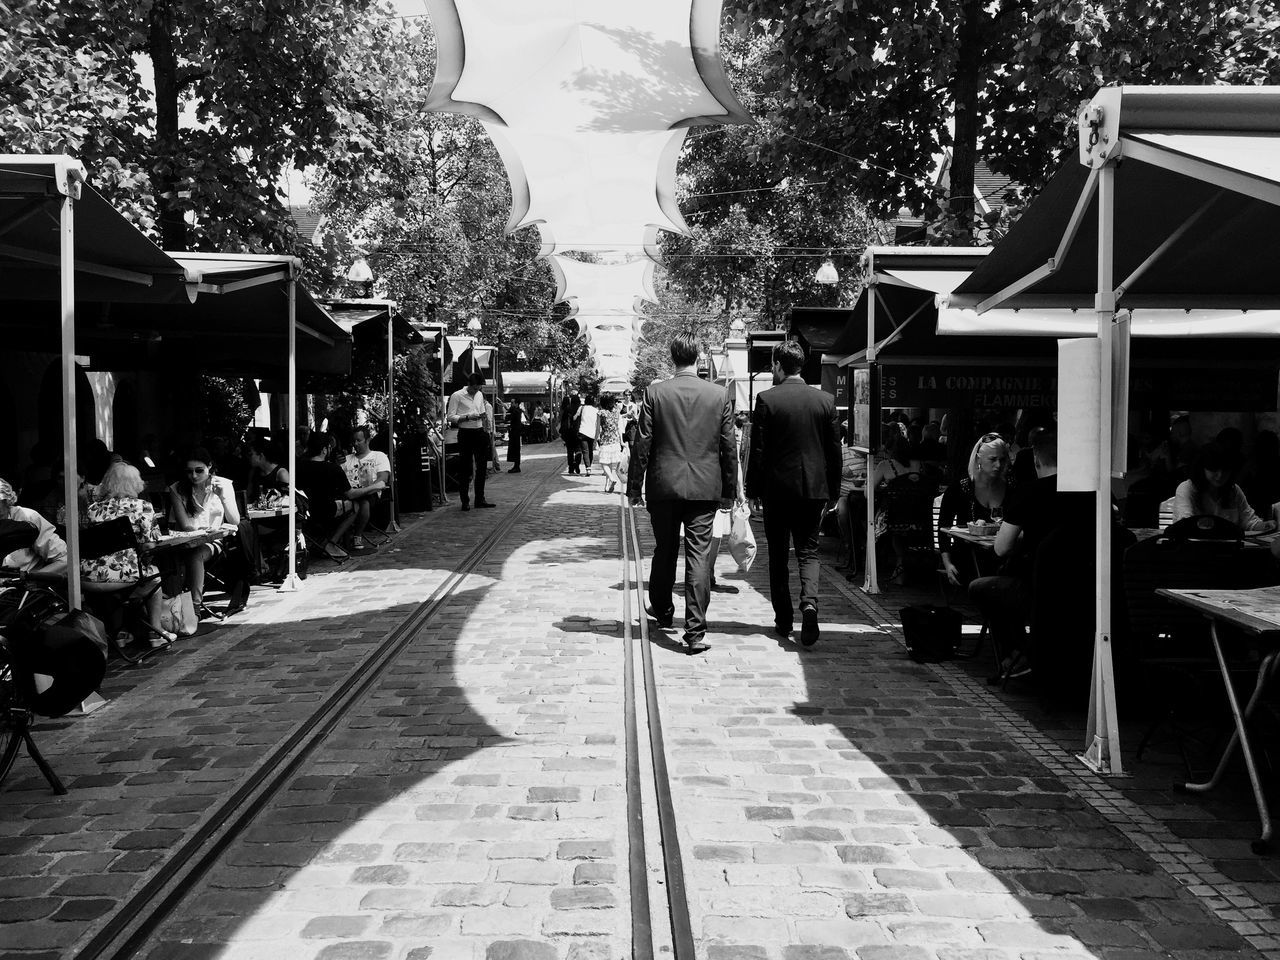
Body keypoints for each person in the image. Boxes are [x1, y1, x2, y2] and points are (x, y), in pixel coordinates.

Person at [627, 332, 736, 655]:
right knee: (699, 555)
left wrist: (634, 487)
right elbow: (728, 448)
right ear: (699, 358)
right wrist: (729, 491)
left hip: (664, 485)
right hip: (704, 487)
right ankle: (695, 631)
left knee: (664, 549)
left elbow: (642, 442)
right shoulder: (718, 396)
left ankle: (662, 609)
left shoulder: (655, 393)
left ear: (672, 358)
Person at [970, 429, 1091, 680]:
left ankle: (1018, 652)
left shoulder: (1029, 493)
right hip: (1086, 586)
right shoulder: (1090, 493)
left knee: (981, 588)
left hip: (1039, 584)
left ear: (1036, 459)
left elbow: (1001, 548)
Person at [746, 340, 841, 647]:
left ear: (777, 365)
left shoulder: (767, 399)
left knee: (777, 556)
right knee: (808, 552)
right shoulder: (825, 401)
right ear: (803, 365)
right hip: (814, 489)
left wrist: (752, 490)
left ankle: (783, 618)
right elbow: (834, 451)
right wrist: (834, 490)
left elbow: (758, 452)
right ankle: (810, 603)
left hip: (777, 490)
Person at [83, 462, 175, 646]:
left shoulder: (92, 510)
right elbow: (149, 545)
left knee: (124, 584)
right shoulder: (142, 506)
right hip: (124, 576)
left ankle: (121, 633)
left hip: (89, 577)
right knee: (153, 577)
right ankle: (155, 632)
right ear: (135, 483)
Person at [168, 447, 242, 619]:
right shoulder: (177, 489)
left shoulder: (223, 484)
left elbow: (235, 521)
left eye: (199, 470)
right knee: (168, 557)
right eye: (189, 471)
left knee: (195, 554)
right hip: (183, 541)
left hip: (212, 542)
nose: (194, 476)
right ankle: (173, 607)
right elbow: (185, 526)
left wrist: (223, 496)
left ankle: (194, 609)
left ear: (209, 466)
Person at [938, 432, 1016, 588]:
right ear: (979, 459)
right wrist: (947, 564)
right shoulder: (961, 488)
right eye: (993, 459)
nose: (998, 465)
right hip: (967, 558)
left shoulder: (1011, 487)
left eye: (1002, 459)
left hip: (1003, 558)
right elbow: (943, 526)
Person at [1172, 441, 1276, 533]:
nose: (1220, 475)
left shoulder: (1233, 490)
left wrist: (1265, 525)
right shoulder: (1187, 488)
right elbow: (1185, 525)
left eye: (1225, 470)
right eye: (1214, 469)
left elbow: (1249, 521)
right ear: (1202, 468)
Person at [296, 433, 359, 560]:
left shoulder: (299, 466)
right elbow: (350, 493)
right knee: (355, 506)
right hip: (325, 510)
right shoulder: (333, 468)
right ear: (324, 449)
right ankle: (332, 543)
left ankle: (322, 541)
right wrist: (373, 487)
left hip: (304, 511)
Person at [446, 373, 495, 511]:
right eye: (474, 388)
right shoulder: (457, 396)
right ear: (469, 385)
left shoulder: (479, 394)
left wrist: (485, 423)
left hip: (479, 431)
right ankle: (465, 500)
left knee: (482, 467)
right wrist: (467, 417)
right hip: (466, 433)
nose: (476, 391)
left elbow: (482, 410)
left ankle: (480, 498)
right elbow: (450, 417)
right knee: (465, 467)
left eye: (478, 388)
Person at [0, 477, 67, 575]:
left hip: (24, 586)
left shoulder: (27, 517)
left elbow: (65, 560)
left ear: (7, 502)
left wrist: (31, 580)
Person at [342, 424, 394, 543]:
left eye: (359, 441)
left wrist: (367, 489)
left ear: (367, 440)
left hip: (371, 493)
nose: (356, 444)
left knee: (363, 503)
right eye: (354, 441)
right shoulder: (347, 459)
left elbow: (383, 478)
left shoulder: (378, 456)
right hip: (350, 492)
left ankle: (357, 536)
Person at [833, 424, 868, 573]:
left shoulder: (873, 454)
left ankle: (868, 549)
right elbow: (835, 472)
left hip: (869, 496)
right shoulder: (843, 451)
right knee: (842, 512)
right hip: (847, 494)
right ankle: (851, 548)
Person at [247, 437, 291, 503]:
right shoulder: (254, 472)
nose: (248, 457)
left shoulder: (281, 473)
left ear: (261, 456)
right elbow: (248, 496)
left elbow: (290, 499)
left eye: (251, 454)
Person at [595, 395, 623, 493]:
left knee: (603, 462)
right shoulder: (617, 412)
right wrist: (621, 440)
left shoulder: (601, 413)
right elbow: (619, 427)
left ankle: (611, 478)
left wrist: (595, 441)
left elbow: (598, 429)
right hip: (615, 440)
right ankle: (607, 486)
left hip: (605, 440)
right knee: (610, 463)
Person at [559, 394, 582, 475]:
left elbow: (563, 422)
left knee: (570, 451)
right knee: (579, 450)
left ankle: (571, 468)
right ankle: (577, 463)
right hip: (579, 432)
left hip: (569, 433)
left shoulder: (567, 409)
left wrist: (562, 433)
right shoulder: (581, 409)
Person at [578, 394, 599, 476]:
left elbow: (575, 417)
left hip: (583, 431)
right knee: (590, 451)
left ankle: (588, 467)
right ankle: (589, 466)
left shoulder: (582, 408)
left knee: (585, 451)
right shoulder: (596, 410)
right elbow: (597, 424)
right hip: (592, 433)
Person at [507, 399, 523, 473]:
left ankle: (517, 466)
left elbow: (509, 417)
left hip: (516, 432)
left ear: (517, 404)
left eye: (513, 403)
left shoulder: (517, 411)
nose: (511, 404)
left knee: (516, 449)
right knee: (514, 449)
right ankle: (516, 465)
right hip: (514, 432)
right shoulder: (515, 411)